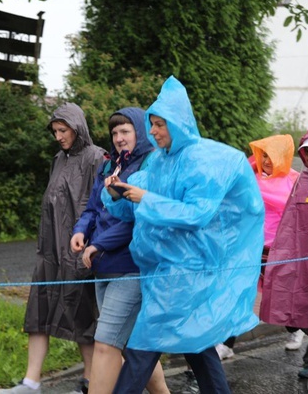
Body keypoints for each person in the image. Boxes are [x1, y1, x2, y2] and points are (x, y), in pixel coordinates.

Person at [102, 76, 264, 394]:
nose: (153, 132)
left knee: (143, 348)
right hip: (165, 272)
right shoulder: (159, 162)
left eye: (160, 124)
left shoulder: (203, 161)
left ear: (178, 123)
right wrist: (117, 195)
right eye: (152, 125)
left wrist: (143, 198)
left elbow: (196, 215)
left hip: (188, 274)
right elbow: (136, 210)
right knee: (197, 344)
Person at [0, 103, 106, 394]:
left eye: (63, 130)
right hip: (49, 252)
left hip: (79, 252)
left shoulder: (97, 158)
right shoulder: (58, 159)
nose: (58, 136)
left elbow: (101, 205)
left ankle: (89, 382)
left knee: (83, 316)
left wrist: (93, 246)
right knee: (39, 311)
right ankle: (31, 382)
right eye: (55, 131)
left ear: (78, 127)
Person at [70, 108, 169, 394]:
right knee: (130, 344)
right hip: (103, 265)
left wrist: (99, 243)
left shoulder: (150, 166)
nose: (119, 138)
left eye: (125, 131)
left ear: (139, 132)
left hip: (130, 266)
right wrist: (81, 231)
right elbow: (93, 207)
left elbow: (137, 220)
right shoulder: (109, 166)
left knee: (106, 342)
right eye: (114, 133)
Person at [260, 125, 308, 380]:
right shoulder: (301, 179)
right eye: (307, 152)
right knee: (296, 306)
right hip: (300, 255)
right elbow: (289, 221)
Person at [217, 133, 299, 360]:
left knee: (280, 297)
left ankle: (296, 329)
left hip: (278, 250)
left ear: (282, 158)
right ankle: (227, 343)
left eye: (272, 157)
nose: (266, 162)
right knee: (239, 292)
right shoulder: (250, 178)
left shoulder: (294, 181)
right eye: (263, 157)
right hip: (249, 247)